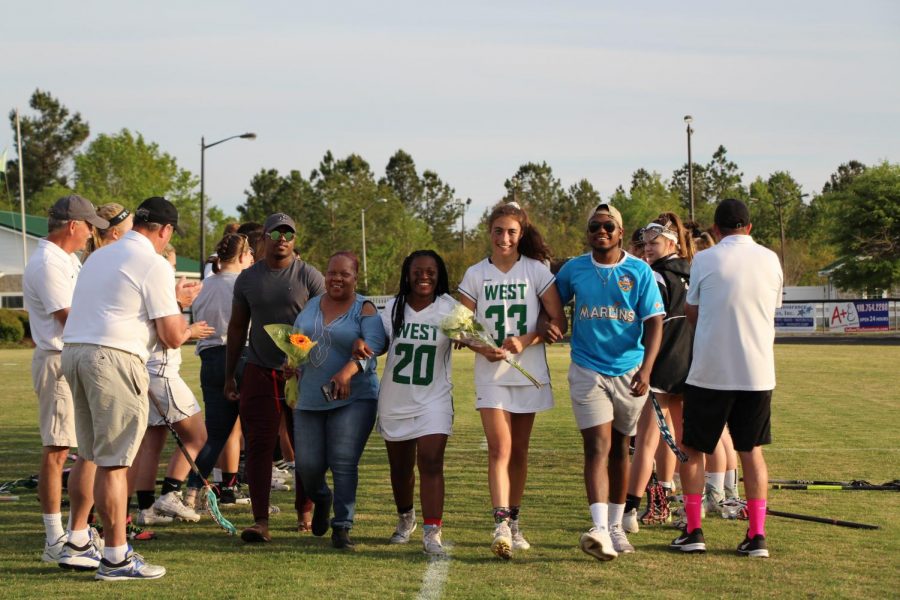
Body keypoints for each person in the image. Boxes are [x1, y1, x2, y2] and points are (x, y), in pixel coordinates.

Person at [59, 196, 193, 580]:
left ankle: (78, 540)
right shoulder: (152, 263)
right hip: (113, 357)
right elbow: (170, 336)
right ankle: (116, 556)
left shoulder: (100, 254)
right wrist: (182, 314)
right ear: (165, 230)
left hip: (75, 351)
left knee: (91, 454)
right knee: (117, 463)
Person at [670, 199, 782, 558]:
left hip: (711, 372)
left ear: (716, 231)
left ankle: (694, 530)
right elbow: (771, 307)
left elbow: (692, 309)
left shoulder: (705, 258)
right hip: (758, 371)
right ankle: (757, 535)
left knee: (693, 449)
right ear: (749, 227)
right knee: (751, 451)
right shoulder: (770, 259)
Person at [554, 202, 664, 560]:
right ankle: (599, 526)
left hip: (629, 370)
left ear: (620, 233)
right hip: (586, 368)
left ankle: (617, 526)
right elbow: (551, 302)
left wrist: (647, 370)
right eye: (594, 226)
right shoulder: (574, 269)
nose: (601, 232)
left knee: (620, 449)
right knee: (597, 447)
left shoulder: (639, 272)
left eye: (608, 226)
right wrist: (552, 323)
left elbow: (654, 323)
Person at [457, 201, 566, 560]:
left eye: (511, 232)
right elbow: (459, 328)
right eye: (498, 231)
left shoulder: (535, 271)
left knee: (519, 452)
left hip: (527, 372)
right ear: (489, 232)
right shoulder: (475, 274)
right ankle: (500, 523)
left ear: (521, 234)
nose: (504, 238)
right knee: (499, 448)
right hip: (491, 374)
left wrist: (527, 339)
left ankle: (515, 521)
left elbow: (557, 322)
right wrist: (479, 346)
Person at [225, 213, 325, 543]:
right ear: (264, 237)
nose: (282, 237)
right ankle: (260, 521)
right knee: (259, 447)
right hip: (259, 370)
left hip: (302, 372)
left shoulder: (309, 275)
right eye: (276, 232)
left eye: (289, 233)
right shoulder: (248, 278)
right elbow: (238, 327)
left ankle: (305, 513)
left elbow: (325, 326)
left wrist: (308, 361)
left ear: (295, 239)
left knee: (306, 447)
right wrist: (230, 375)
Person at [23, 195, 108, 563]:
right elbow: (67, 315)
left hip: (71, 358)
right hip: (58, 360)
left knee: (81, 448)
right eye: (89, 226)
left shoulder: (65, 260)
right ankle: (54, 537)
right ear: (73, 225)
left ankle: (75, 532)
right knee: (57, 450)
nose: (91, 234)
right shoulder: (47, 263)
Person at [293, 252, 387, 550]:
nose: (337, 278)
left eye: (344, 274)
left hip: (354, 398)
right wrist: (291, 362)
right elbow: (297, 340)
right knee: (307, 466)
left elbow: (374, 344)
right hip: (309, 396)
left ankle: (342, 526)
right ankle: (321, 498)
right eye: (332, 272)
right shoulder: (310, 305)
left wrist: (347, 372)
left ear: (355, 278)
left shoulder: (365, 308)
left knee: (343, 462)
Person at [376, 250, 456, 556]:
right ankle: (405, 516)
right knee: (400, 468)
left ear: (440, 275)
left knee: (432, 462)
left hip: (433, 399)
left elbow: (471, 332)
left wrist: (470, 337)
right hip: (396, 398)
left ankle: (432, 530)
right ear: (407, 274)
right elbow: (378, 343)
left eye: (431, 271)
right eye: (418, 271)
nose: (424, 276)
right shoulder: (393, 307)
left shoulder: (449, 308)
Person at [128, 245, 213, 526]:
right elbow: (170, 336)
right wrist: (191, 328)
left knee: (151, 444)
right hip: (161, 372)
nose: (173, 272)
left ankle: (146, 508)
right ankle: (170, 494)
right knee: (198, 435)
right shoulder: (156, 285)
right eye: (171, 265)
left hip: (146, 372)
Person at [622, 213, 694, 533]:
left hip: (663, 365)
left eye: (654, 243)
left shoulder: (655, 277)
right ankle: (670, 500)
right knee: (676, 439)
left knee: (648, 440)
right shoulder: (694, 272)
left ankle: (630, 509)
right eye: (645, 243)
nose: (648, 248)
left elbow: (647, 324)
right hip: (692, 364)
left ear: (670, 242)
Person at [185, 233, 255, 507]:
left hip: (210, 359)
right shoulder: (244, 283)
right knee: (254, 432)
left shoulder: (204, 285)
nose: (251, 260)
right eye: (249, 255)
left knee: (214, 435)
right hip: (241, 356)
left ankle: (192, 491)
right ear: (241, 256)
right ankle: (248, 488)